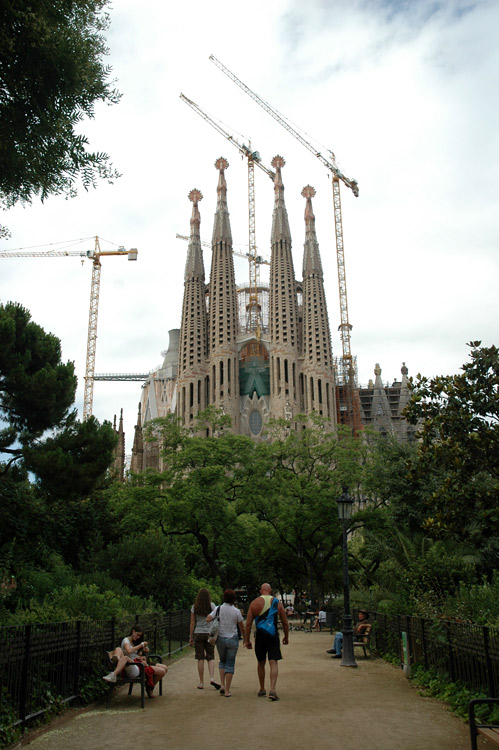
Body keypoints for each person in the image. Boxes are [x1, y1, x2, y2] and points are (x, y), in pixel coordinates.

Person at [245, 583, 289, 701]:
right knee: (273, 662)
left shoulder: (254, 603)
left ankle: (262, 688)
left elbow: (248, 623)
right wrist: (286, 636)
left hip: (260, 636)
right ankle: (273, 690)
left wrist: (246, 640)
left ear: (261, 591)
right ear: (270, 591)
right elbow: (285, 622)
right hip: (273, 635)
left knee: (261, 662)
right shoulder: (277, 603)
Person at [103, 624, 168, 697]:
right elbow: (129, 651)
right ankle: (149, 688)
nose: (138, 637)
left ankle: (149, 687)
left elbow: (144, 651)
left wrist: (142, 653)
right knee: (125, 657)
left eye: (140, 636)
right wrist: (141, 645)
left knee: (165, 668)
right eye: (137, 635)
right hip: (132, 667)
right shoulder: (126, 640)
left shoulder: (136, 642)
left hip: (137, 665)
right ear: (133, 631)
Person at [207, 589, 246, 697]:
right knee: (230, 664)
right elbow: (241, 626)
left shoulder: (218, 609)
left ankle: (222, 685)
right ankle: (227, 690)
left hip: (220, 639)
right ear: (234, 599)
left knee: (222, 661)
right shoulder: (236, 611)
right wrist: (246, 638)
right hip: (232, 638)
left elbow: (208, 618)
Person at [189, 587, 221, 690]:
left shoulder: (194, 607)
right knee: (210, 656)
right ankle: (212, 678)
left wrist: (191, 636)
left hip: (198, 632)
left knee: (200, 657)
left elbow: (192, 623)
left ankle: (201, 682)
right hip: (209, 633)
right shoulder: (212, 606)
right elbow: (216, 619)